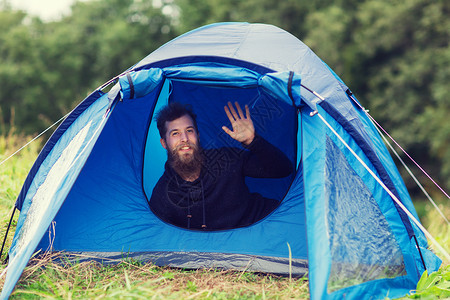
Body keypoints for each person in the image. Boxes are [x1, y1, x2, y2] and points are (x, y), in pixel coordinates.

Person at [149, 101, 293, 230]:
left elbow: (283, 169)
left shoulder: (225, 159)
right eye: (175, 133)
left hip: (267, 227)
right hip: (226, 252)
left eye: (189, 131)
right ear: (164, 143)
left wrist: (253, 141)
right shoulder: (163, 196)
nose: (184, 139)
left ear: (198, 136)